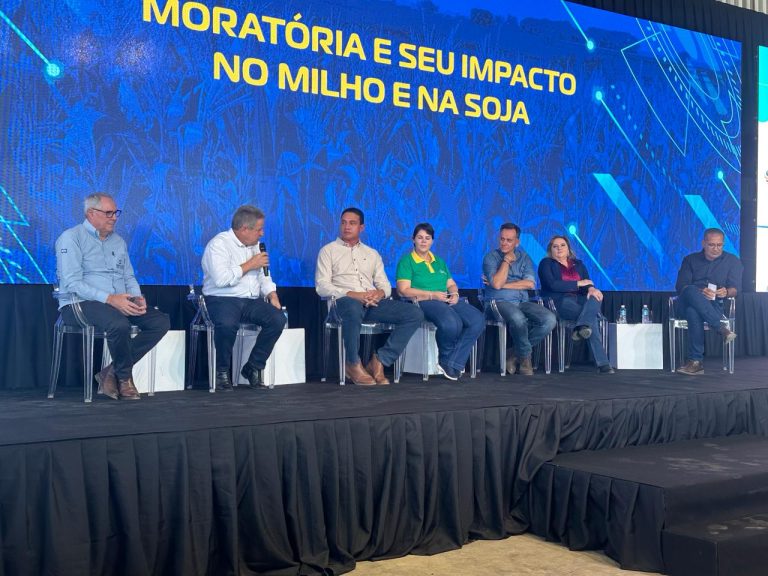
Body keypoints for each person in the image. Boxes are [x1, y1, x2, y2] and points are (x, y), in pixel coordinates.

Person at [55, 193, 170, 400]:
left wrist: (136, 298)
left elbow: (128, 276)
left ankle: (112, 371)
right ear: (91, 213)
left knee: (159, 321)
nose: (114, 217)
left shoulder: (118, 241)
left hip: (117, 302)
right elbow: (72, 283)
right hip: (79, 303)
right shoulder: (71, 238)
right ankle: (124, 378)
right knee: (119, 324)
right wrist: (110, 299)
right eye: (109, 213)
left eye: (116, 213)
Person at [315, 208, 423, 386]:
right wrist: (354, 295)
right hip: (342, 303)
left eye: (352, 223)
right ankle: (352, 363)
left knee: (414, 313)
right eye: (343, 222)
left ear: (361, 227)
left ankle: (380, 360)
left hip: (371, 303)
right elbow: (322, 286)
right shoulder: (328, 251)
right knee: (352, 306)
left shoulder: (372, 253)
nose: (347, 227)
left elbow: (385, 286)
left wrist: (378, 294)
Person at [201, 205, 286, 390]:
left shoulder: (256, 246)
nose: (262, 234)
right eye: (259, 229)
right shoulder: (219, 244)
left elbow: (264, 275)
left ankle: (254, 366)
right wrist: (250, 264)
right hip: (221, 298)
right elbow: (221, 279)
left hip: (250, 300)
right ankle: (222, 372)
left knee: (278, 319)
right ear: (244, 229)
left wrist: (272, 294)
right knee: (227, 324)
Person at [396, 223, 484, 380]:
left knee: (477, 320)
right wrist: (432, 295)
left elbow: (451, 283)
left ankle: (453, 362)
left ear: (432, 241)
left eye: (427, 238)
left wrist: (455, 293)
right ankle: (446, 358)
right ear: (413, 239)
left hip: (445, 299)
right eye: (420, 237)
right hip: (424, 301)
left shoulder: (439, 261)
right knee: (452, 322)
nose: (424, 241)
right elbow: (403, 290)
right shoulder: (406, 261)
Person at [481, 223, 556, 376]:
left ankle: (515, 353)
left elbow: (530, 284)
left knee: (549, 319)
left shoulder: (524, 258)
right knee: (518, 318)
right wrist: (506, 261)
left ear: (517, 242)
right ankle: (525, 359)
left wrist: (504, 284)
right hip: (497, 302)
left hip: (522, 301)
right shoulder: (490, 257)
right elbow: (496, 284)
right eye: (502, 239)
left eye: (509, 240)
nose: (504, 243)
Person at [538, 235, 613, 374]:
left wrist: (591, 289)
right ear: (550, 250)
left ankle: (581, 326)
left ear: (568, 248)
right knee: (591, 320)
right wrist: (578, 283)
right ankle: (603, 363)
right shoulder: (546, 264)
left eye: (562, 245)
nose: (559, 248)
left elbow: (587, 282)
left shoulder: (578, 264)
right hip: (559, 302)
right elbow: (552, 285)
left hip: (579, 300)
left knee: (596, 296)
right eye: (555, 246)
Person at [674, 228, 742, 375]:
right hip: (686, 303)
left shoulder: (732, 261)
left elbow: (736, 289)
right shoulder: (690, 260)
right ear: (703, 243)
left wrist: (726, 291)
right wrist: (700, 291)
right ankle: (721, 328)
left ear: (723, 244)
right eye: (711, 245)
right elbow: (681, 286)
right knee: (691, 290)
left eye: (719, 245)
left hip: (714, 305)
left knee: (694, 312)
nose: (716, 249)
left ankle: (696, 363)